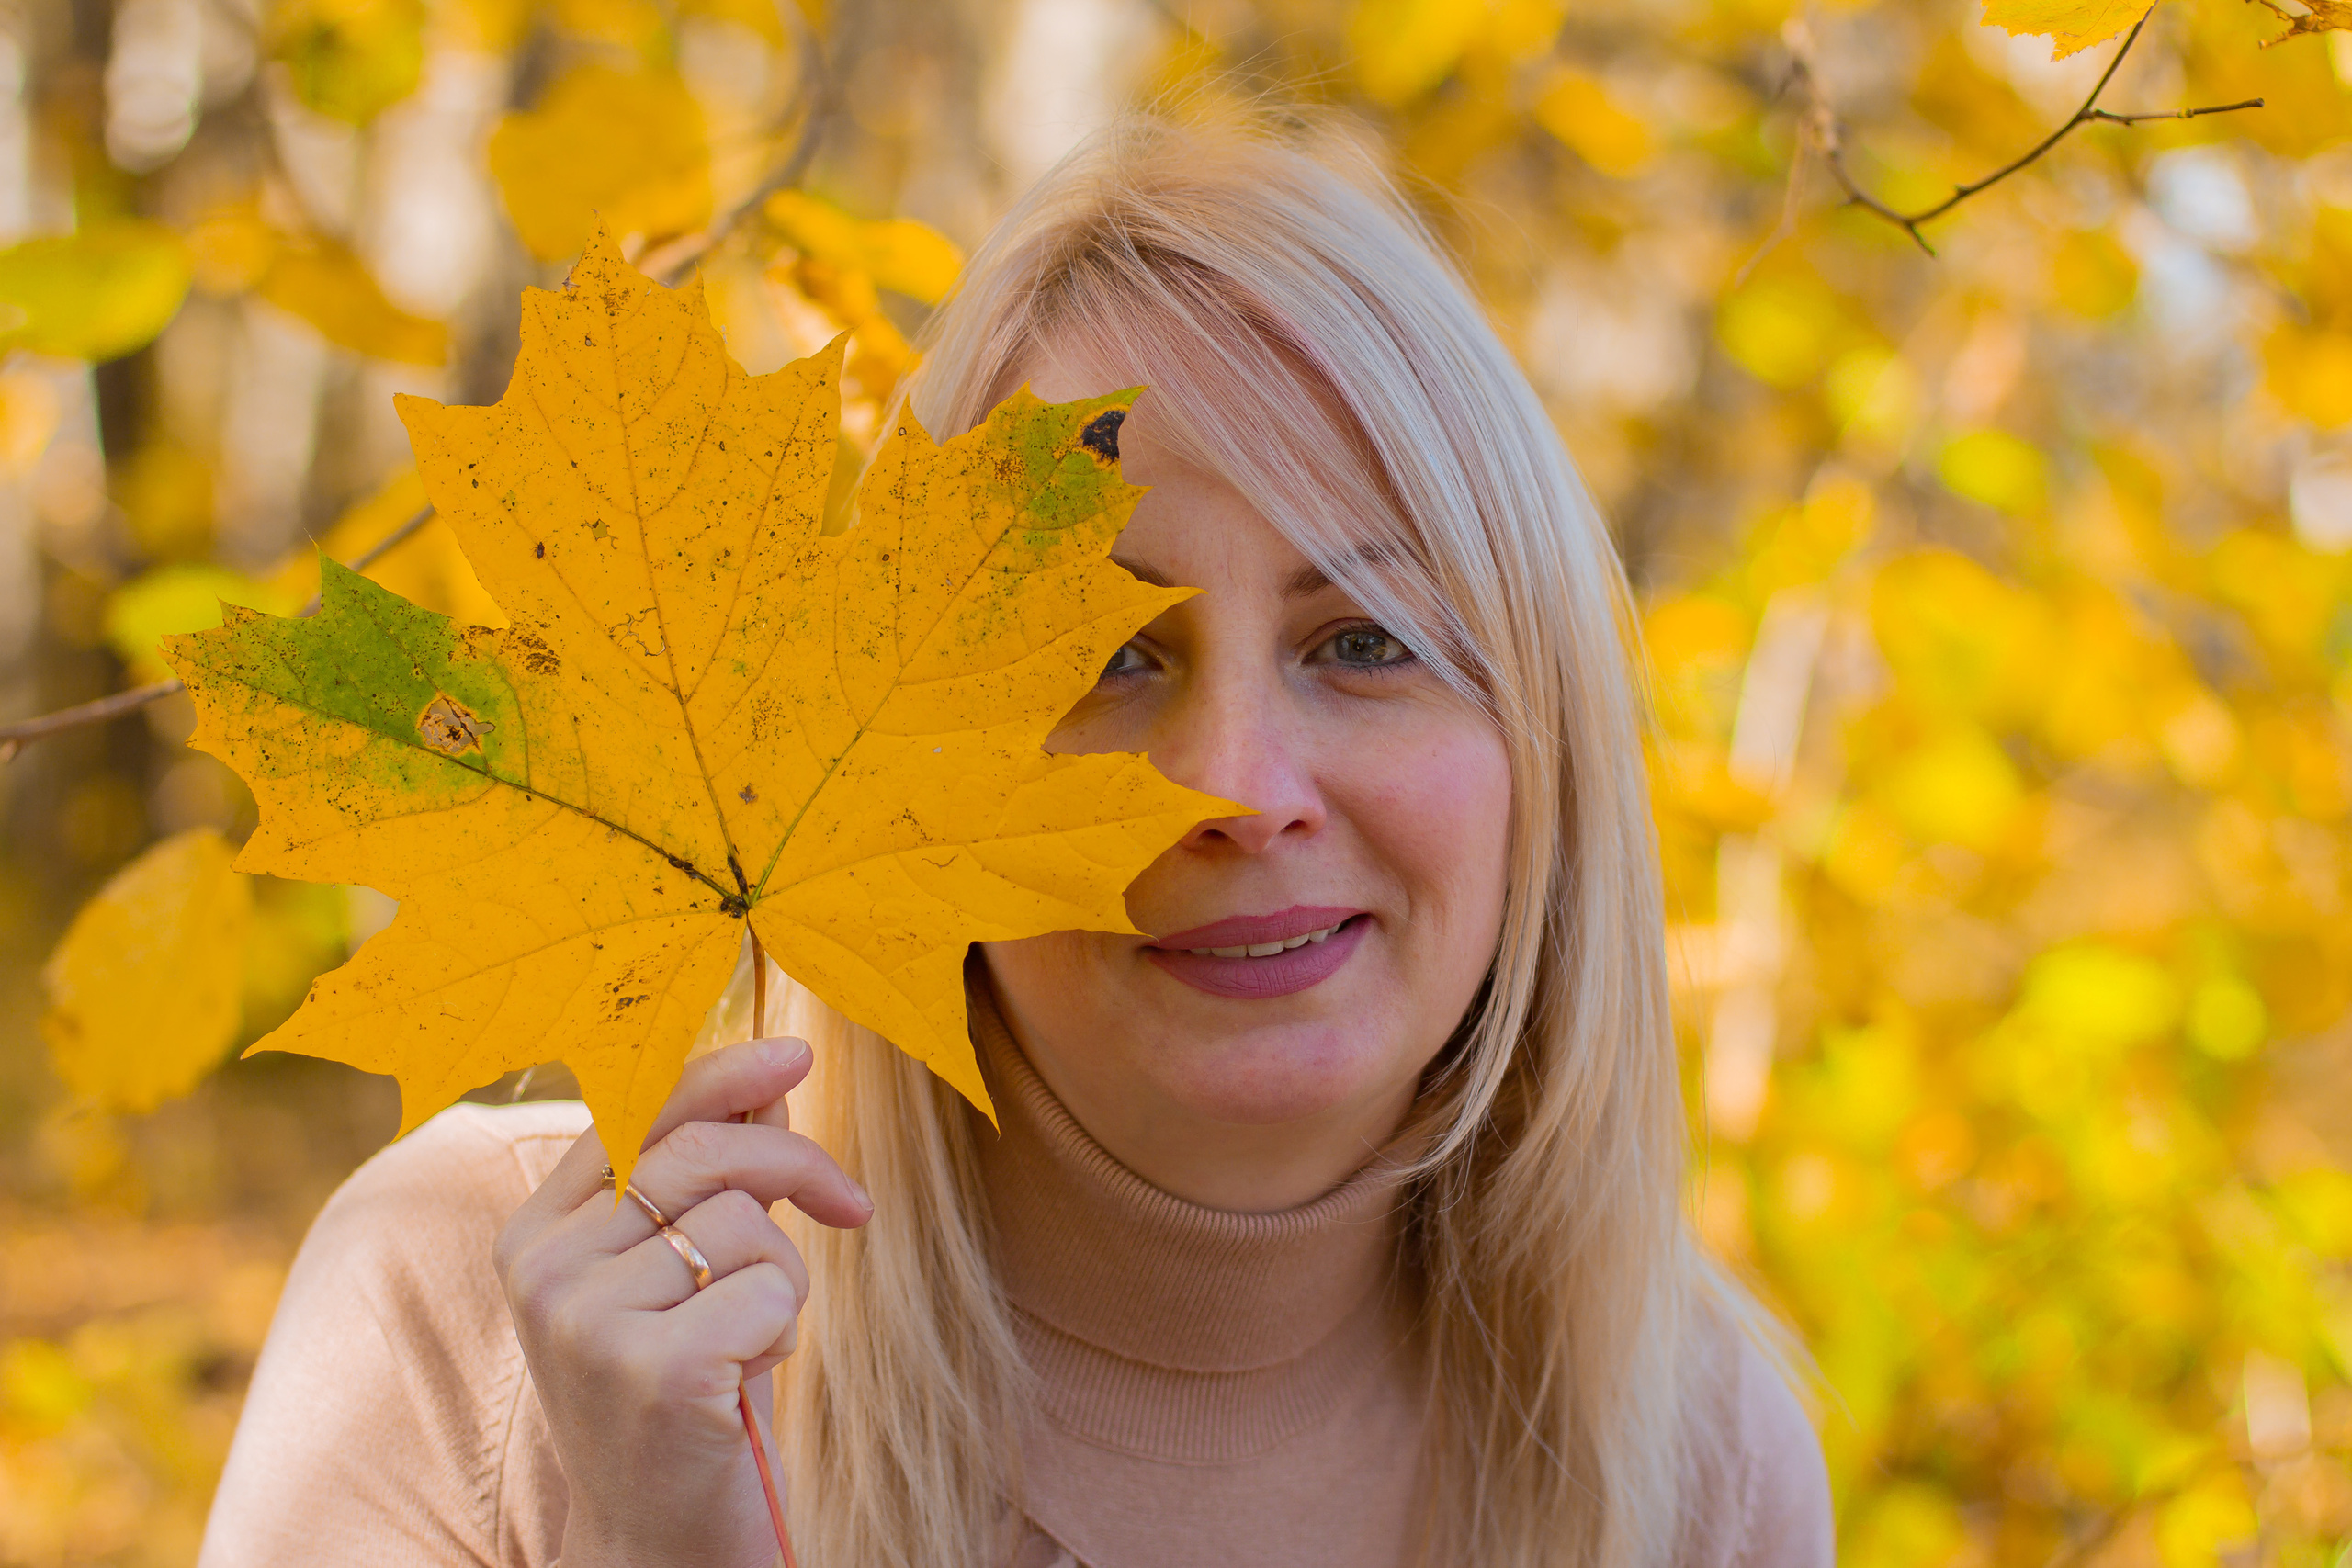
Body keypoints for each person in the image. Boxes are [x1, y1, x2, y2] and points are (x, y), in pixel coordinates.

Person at [198, 112, 1833, 1568]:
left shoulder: (1687, 1465)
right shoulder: (492, 1322)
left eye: (1367, 641)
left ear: (1543, 738)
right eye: (1109, 658)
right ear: (908, 754)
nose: (1236, 787)